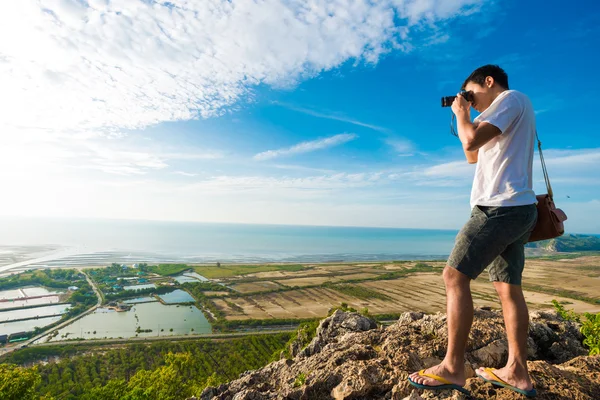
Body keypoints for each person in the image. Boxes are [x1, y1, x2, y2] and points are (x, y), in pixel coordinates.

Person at [408, 65, 538, 398]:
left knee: (453, 277)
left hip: (498, 208)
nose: (470, 101)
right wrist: (462, 116)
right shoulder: (502, 114)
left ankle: (452, 367)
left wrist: (464, 113)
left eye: (471, 92)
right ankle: (517, 372)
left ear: (489, 82)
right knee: (507, 288)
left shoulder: (510, 99)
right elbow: (471, 154)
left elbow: (471, 138)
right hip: (515, 209)